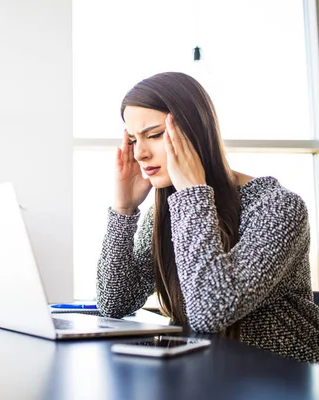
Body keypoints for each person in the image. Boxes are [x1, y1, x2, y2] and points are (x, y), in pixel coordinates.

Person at [96, 71, 319, 363]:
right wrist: (123, 211)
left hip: (282, 377)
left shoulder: (277, 206)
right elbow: (115, 302)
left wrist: (192, 192)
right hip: (204, 373)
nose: (140, 154)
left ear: (195, 130)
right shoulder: (169, 211)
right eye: (133, 140)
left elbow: (210, 311)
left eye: (154, 135)